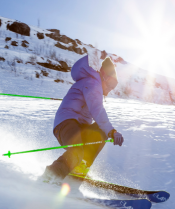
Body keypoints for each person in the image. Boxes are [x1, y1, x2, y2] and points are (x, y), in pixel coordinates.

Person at [41, 55, 124, 184]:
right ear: (103, 75)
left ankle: (78, 169)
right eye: (110, 84)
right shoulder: (92, 83)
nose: (110, 90)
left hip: (78, 125)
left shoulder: (93, 84)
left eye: (114, 86)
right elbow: (97, 110)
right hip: (65, 124)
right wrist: (112, 131)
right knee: (78, 149)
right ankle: (51, 176)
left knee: (99, 131)